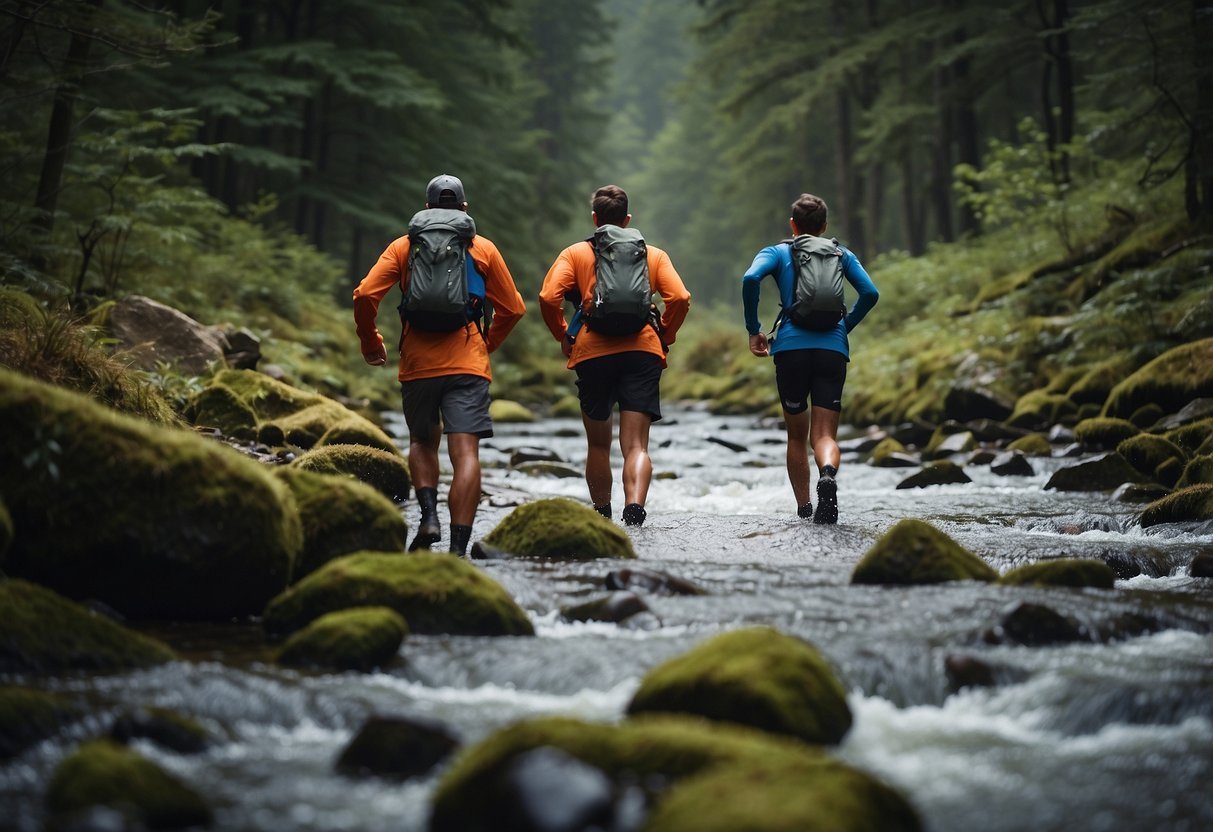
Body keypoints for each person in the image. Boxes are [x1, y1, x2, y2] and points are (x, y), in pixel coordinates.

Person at [353, 174, 525, 555]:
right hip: (467, 365)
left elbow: (366, 294)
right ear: (464, 208)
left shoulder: (404, 247)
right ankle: (459, 550)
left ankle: (429, 517)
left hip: (418, 365)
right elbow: (513, 308)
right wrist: (485, 343)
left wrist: (371, 341)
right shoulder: (482, 249)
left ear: (427, 208)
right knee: (466, 454)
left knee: (421, 441)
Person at [538, 185, 691, 526]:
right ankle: (634, 510)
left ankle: (602, 516)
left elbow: (549, 297)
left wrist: (563, 334)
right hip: (642, 351)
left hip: (592, 352)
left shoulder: (575, 253)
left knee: (598, 445)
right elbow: (679, 297)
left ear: (595, 219)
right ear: (627, 220)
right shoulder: (653, 254)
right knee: (636, 444)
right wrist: (667, 332)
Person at [743, 192, 878, 524]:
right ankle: (828, 474)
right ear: (824, 226)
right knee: (824, 435)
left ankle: (804, 508)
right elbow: (870, 293)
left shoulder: (777, 252)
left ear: (793, 225)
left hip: (790, 350)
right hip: (832, 349)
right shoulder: (840, 253)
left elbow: (750, 278)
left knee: (796, 435)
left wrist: (753, 328)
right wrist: (845, 326)